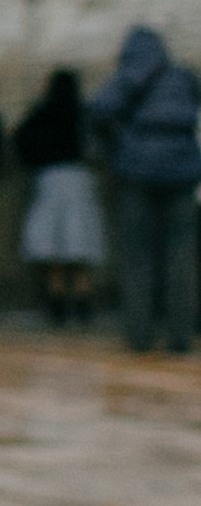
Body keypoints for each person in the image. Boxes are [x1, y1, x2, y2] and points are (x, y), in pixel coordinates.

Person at [88, 27, 201, 355]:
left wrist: (120, 146)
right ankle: (180, 336)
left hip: (137, 174)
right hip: (182, 174)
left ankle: (139, 335)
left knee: (138, 258)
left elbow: (98, 110)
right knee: (181, 256)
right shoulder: (182, 77)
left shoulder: (125, 78)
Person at [12, 69, 107, 325]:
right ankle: (83, 300)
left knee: (52, 245)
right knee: (78, 243)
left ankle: (57, 304)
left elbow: (21, 141)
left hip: (50, 179)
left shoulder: (42, 114)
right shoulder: (83, 114)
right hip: (80, 178)